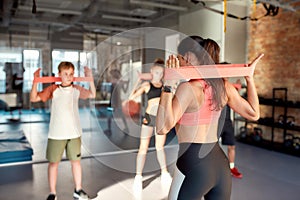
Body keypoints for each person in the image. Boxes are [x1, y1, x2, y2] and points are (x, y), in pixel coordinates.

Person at [156, 36, 262, 199]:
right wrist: (250, 78)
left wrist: (168, 85)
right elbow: (254, 113)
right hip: (220, 164)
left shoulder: (188, 88)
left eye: (179, 58)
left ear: (189, 57)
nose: (177, 63)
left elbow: (163, 127)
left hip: (194, 165)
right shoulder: (223, 86)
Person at [30, 62, 96, 200]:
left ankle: (78, 190)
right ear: (59, 75)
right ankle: (52, 193)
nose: (69, 76)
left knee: (76, 162)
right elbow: (33, 98)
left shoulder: (77, 89)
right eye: (65, 74)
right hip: (56, 134)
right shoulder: (53, 89)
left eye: (71, 74)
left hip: (74, 134)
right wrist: (35, 81)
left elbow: (92, 94)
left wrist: (90, 78)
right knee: (53, 163)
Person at [130, 58, 172, 194]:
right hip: (149, 119)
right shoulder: (147, 85)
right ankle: (138, 177)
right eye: (155, 72)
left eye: (160, 73)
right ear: (151, 72)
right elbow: (131, 97)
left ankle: (164, 173)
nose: (157, 75)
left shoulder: (166, 87)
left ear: (163, 74)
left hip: (161, 119)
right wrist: (139, 81)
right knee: (143, 148)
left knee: (160, 147)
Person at [219, 104, 243, 178]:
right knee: (212, 146)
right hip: (216, 121)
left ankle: (231, 168)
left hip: (227, 122)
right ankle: (211, 170)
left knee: (232, 146)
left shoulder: (229, 92)